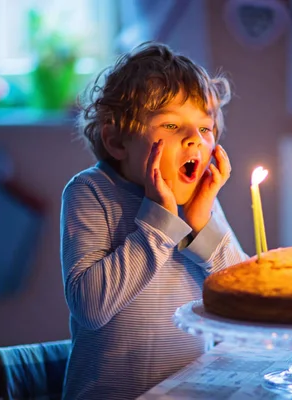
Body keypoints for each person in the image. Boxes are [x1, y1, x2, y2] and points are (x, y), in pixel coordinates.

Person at [60, 42, 249, 399]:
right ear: (117, 142)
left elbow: (244, 300)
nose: (194, 139)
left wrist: (202, 226)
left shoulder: (203, 205)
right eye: (172, 124)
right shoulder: (90, 192)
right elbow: (91, 308)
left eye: (205, 129)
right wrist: (159, 222)